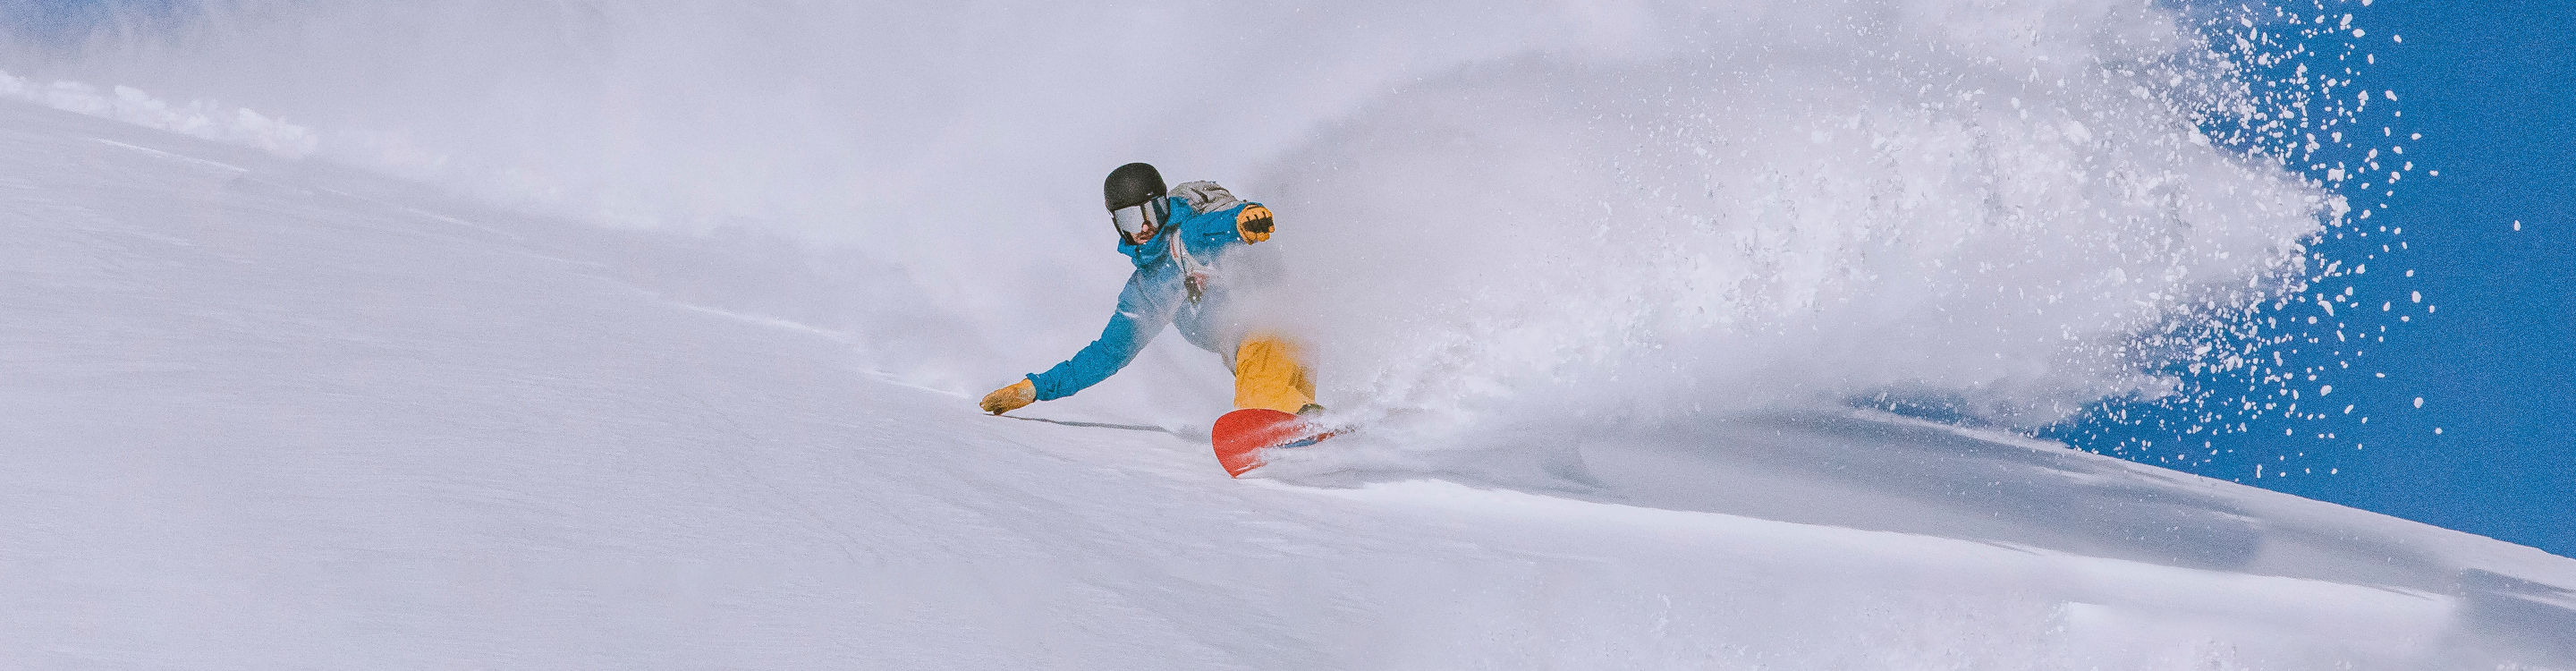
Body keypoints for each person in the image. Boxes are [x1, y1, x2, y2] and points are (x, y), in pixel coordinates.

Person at [979, 162, 1317, 417]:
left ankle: (1298, 425)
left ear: (1165, 207)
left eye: (1150, 213)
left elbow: (1211, 228)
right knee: (1264, 399)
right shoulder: (1147, 293)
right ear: (1116, 224)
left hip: (1269, 324)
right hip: (1245, 351)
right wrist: (1036, 388)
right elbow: (1107, 354)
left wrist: (1243, 220)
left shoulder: (1187, 238)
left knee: (1261, 401)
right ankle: (1312, 429)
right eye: (1129, 219)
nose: (1142, 227)